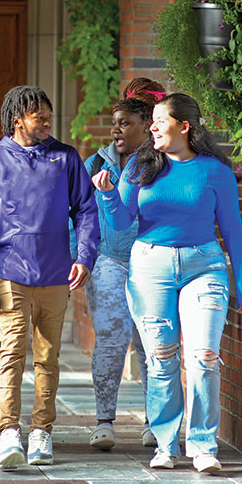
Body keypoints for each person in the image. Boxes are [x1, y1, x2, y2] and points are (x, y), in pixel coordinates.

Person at [92, 93, 242, 474]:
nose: (151, 126)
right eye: (151, 120)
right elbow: (120, 222)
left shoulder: (215, 171)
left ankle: (202, 446)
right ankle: (166, 444)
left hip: (205, 266)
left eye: (159, 120)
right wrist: (108, 196)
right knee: (162, 360)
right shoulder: (139, 167)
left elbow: (233, 231)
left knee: (204, 358)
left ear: (185, 127)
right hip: (151, 267)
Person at [0, 85, 100, 470]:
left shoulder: (66, 158)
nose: (46, 121)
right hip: (10, 273)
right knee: (11, 354)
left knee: (48, 357)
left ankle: (42, 431)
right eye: (38, 115)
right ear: (16, 119)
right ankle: (9, 431)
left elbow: (87, 211)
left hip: (57, 273)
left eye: (48, 115)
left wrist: (84, 256)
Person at [73, 98, 153, 451]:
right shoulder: (95, 163)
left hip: (152, 261)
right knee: (110, 339)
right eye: (114, 122)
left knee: (151, 343)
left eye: (125, 122)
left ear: (146, 124)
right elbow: (79, 213)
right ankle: (104, 421)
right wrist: (80, 256)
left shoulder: (159, 162)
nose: (115, 129)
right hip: (108, 261)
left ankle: (155, 421)